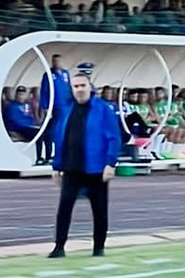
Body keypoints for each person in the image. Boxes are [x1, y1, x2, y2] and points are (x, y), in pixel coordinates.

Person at [47, 73, 122, 258]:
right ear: (72, 89)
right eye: (76, 86)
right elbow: (60, 138)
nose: (79, 89)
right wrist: (56, 166)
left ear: (90, 87)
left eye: (82, 85)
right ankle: (59, 246)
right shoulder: (66, 110)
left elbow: (114, 138)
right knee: (64, 206)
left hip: (96, 168)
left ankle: (98, 247)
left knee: (99, 209)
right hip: (72, 167)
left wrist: (110, 163)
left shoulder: (104, 110)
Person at [37, 54, 72, 164]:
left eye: (59, 61)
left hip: (65, 108)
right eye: (54, 61)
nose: (57, 63)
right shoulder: (48, 74)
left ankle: (59, 155)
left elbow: (69, 89)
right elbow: (44, 91)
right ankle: (47, 155)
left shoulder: (66, 74)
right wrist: (45, 107)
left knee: (62, 131)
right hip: (54, 108)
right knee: (51, 131)